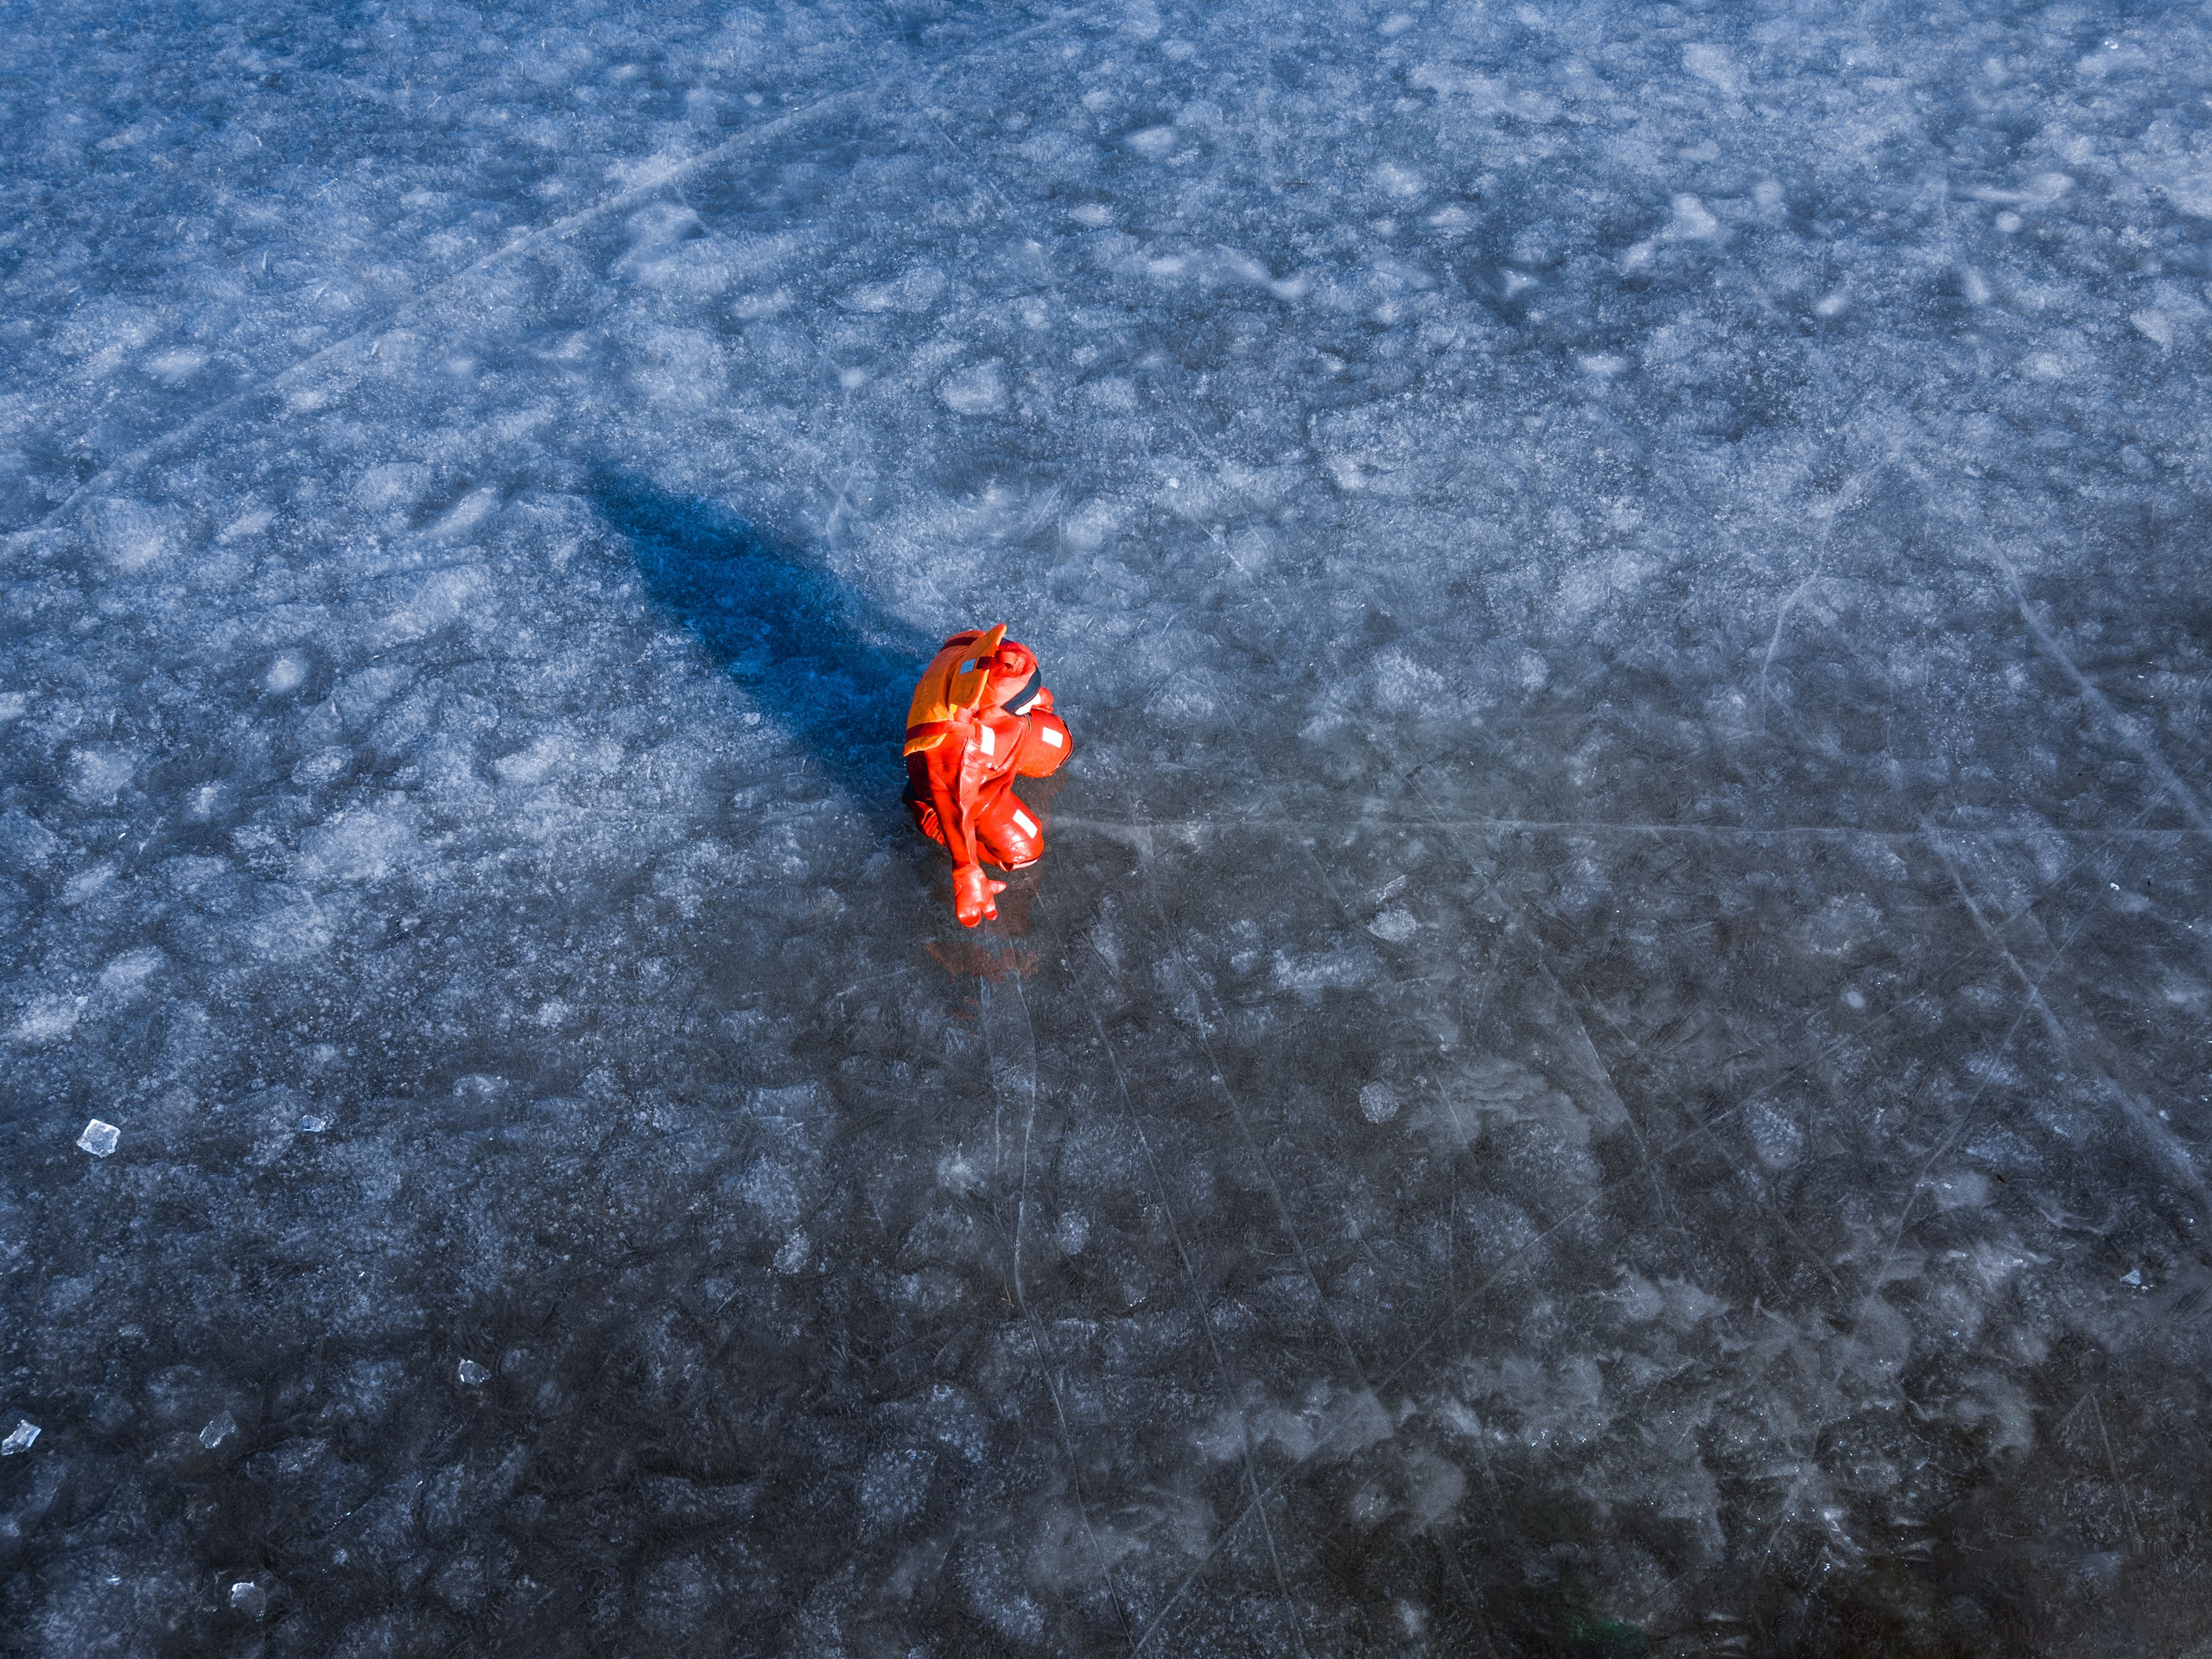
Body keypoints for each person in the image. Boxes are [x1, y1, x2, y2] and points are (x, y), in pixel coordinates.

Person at [902, 626, 1072, 926]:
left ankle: (1018, 723)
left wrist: (1031, 693)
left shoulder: (978, 650)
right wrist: (967, 869)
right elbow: (956, 807)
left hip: (999, 737)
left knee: (1059, 743)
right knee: (1024, 850)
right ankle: (928, 814)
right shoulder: (953, 753)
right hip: (975, 782)